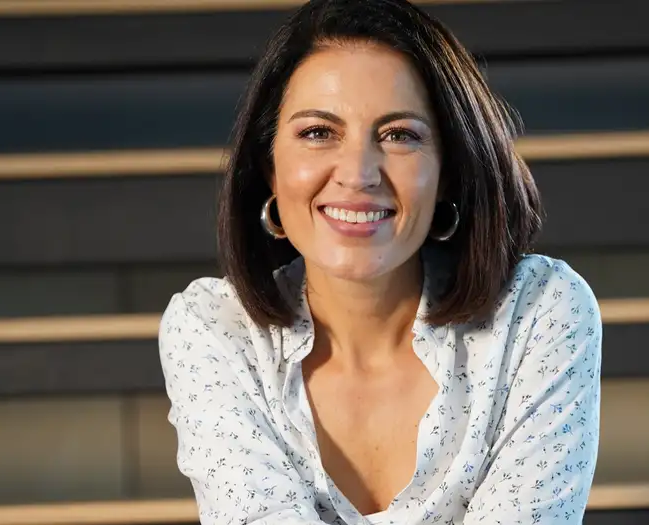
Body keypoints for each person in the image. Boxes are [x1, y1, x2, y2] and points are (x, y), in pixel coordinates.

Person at [157, 0, 602, 523]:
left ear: (449, 172)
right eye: (318, 132)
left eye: (399, 135)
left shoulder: (538, 310)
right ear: (270, 168)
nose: (358, 173)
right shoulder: (216, 328)